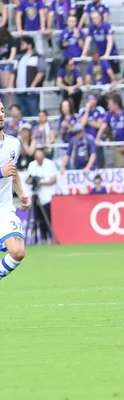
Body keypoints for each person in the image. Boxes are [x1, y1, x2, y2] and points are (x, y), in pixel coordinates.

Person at [0, 101, 31, 282]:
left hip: (4, 210)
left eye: (2, 110)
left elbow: (13, 171)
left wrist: (21, 193)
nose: (1, 114)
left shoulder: (13, 144)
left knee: (18, 252)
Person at [26, 148, 57, 244]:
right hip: (36, 194)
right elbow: (28, 179)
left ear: (43, 156)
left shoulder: (50, 164)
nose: (38, 159)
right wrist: (31, 181)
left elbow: (53, 179)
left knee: (47, 217)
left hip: (47, 195)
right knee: (38, 218)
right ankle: (42, 238)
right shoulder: (32, 165)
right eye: (37, 158)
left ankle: (50, 237)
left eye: (40, 157)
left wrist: (41, 183)